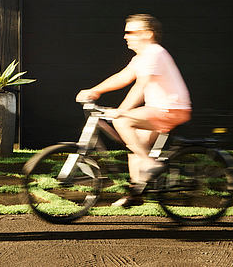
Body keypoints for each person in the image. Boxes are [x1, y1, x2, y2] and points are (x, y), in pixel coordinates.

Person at [75, 13, 191, 207]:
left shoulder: (154, 52)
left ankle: (150, 164)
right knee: (135, 146)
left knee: (123, 121)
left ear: (147, 34)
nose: (125, 36)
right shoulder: (142, 57)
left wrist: (122, 111)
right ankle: (135, 194)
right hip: (161, 109)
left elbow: (141, 85)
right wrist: (94, 91)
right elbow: (123, 77)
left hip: (171, 108)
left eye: (130, 32)